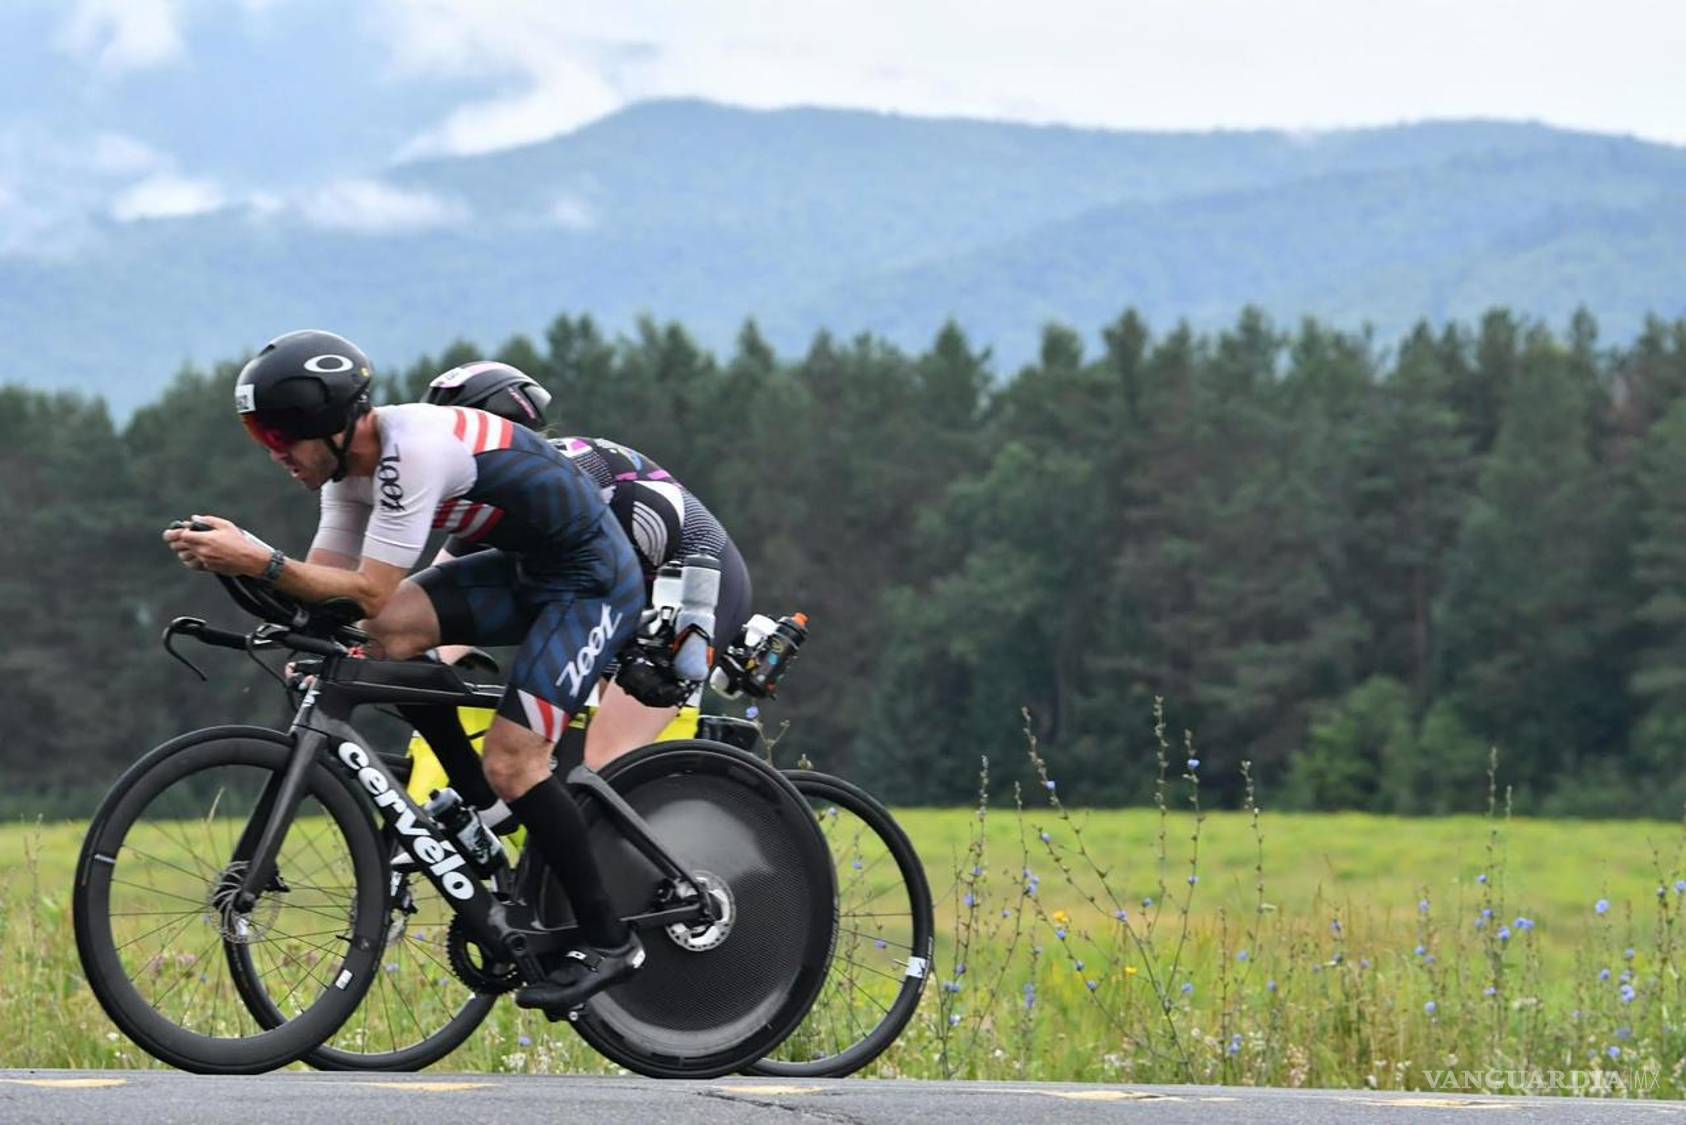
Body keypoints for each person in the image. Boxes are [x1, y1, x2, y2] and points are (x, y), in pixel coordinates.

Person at [162, 329, 646, 1014]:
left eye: (279, 438)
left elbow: (367, 589)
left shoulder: (410, 451)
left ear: (330, 425)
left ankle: (610, 940)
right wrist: (244, 577)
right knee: (383, 638)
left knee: (516, 760)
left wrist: (257, 559)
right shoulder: (346, 476)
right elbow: (329, 593)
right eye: (261, 439)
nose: (275, 455)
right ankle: (480, 801)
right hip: (524, 570)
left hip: (591, 582)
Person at [420, 360, 753, 771]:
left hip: (691, 587)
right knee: (561, 756)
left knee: (603, 759)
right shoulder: (487, 489)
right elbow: (433, 593)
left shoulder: (562, 474)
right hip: (618, 592)